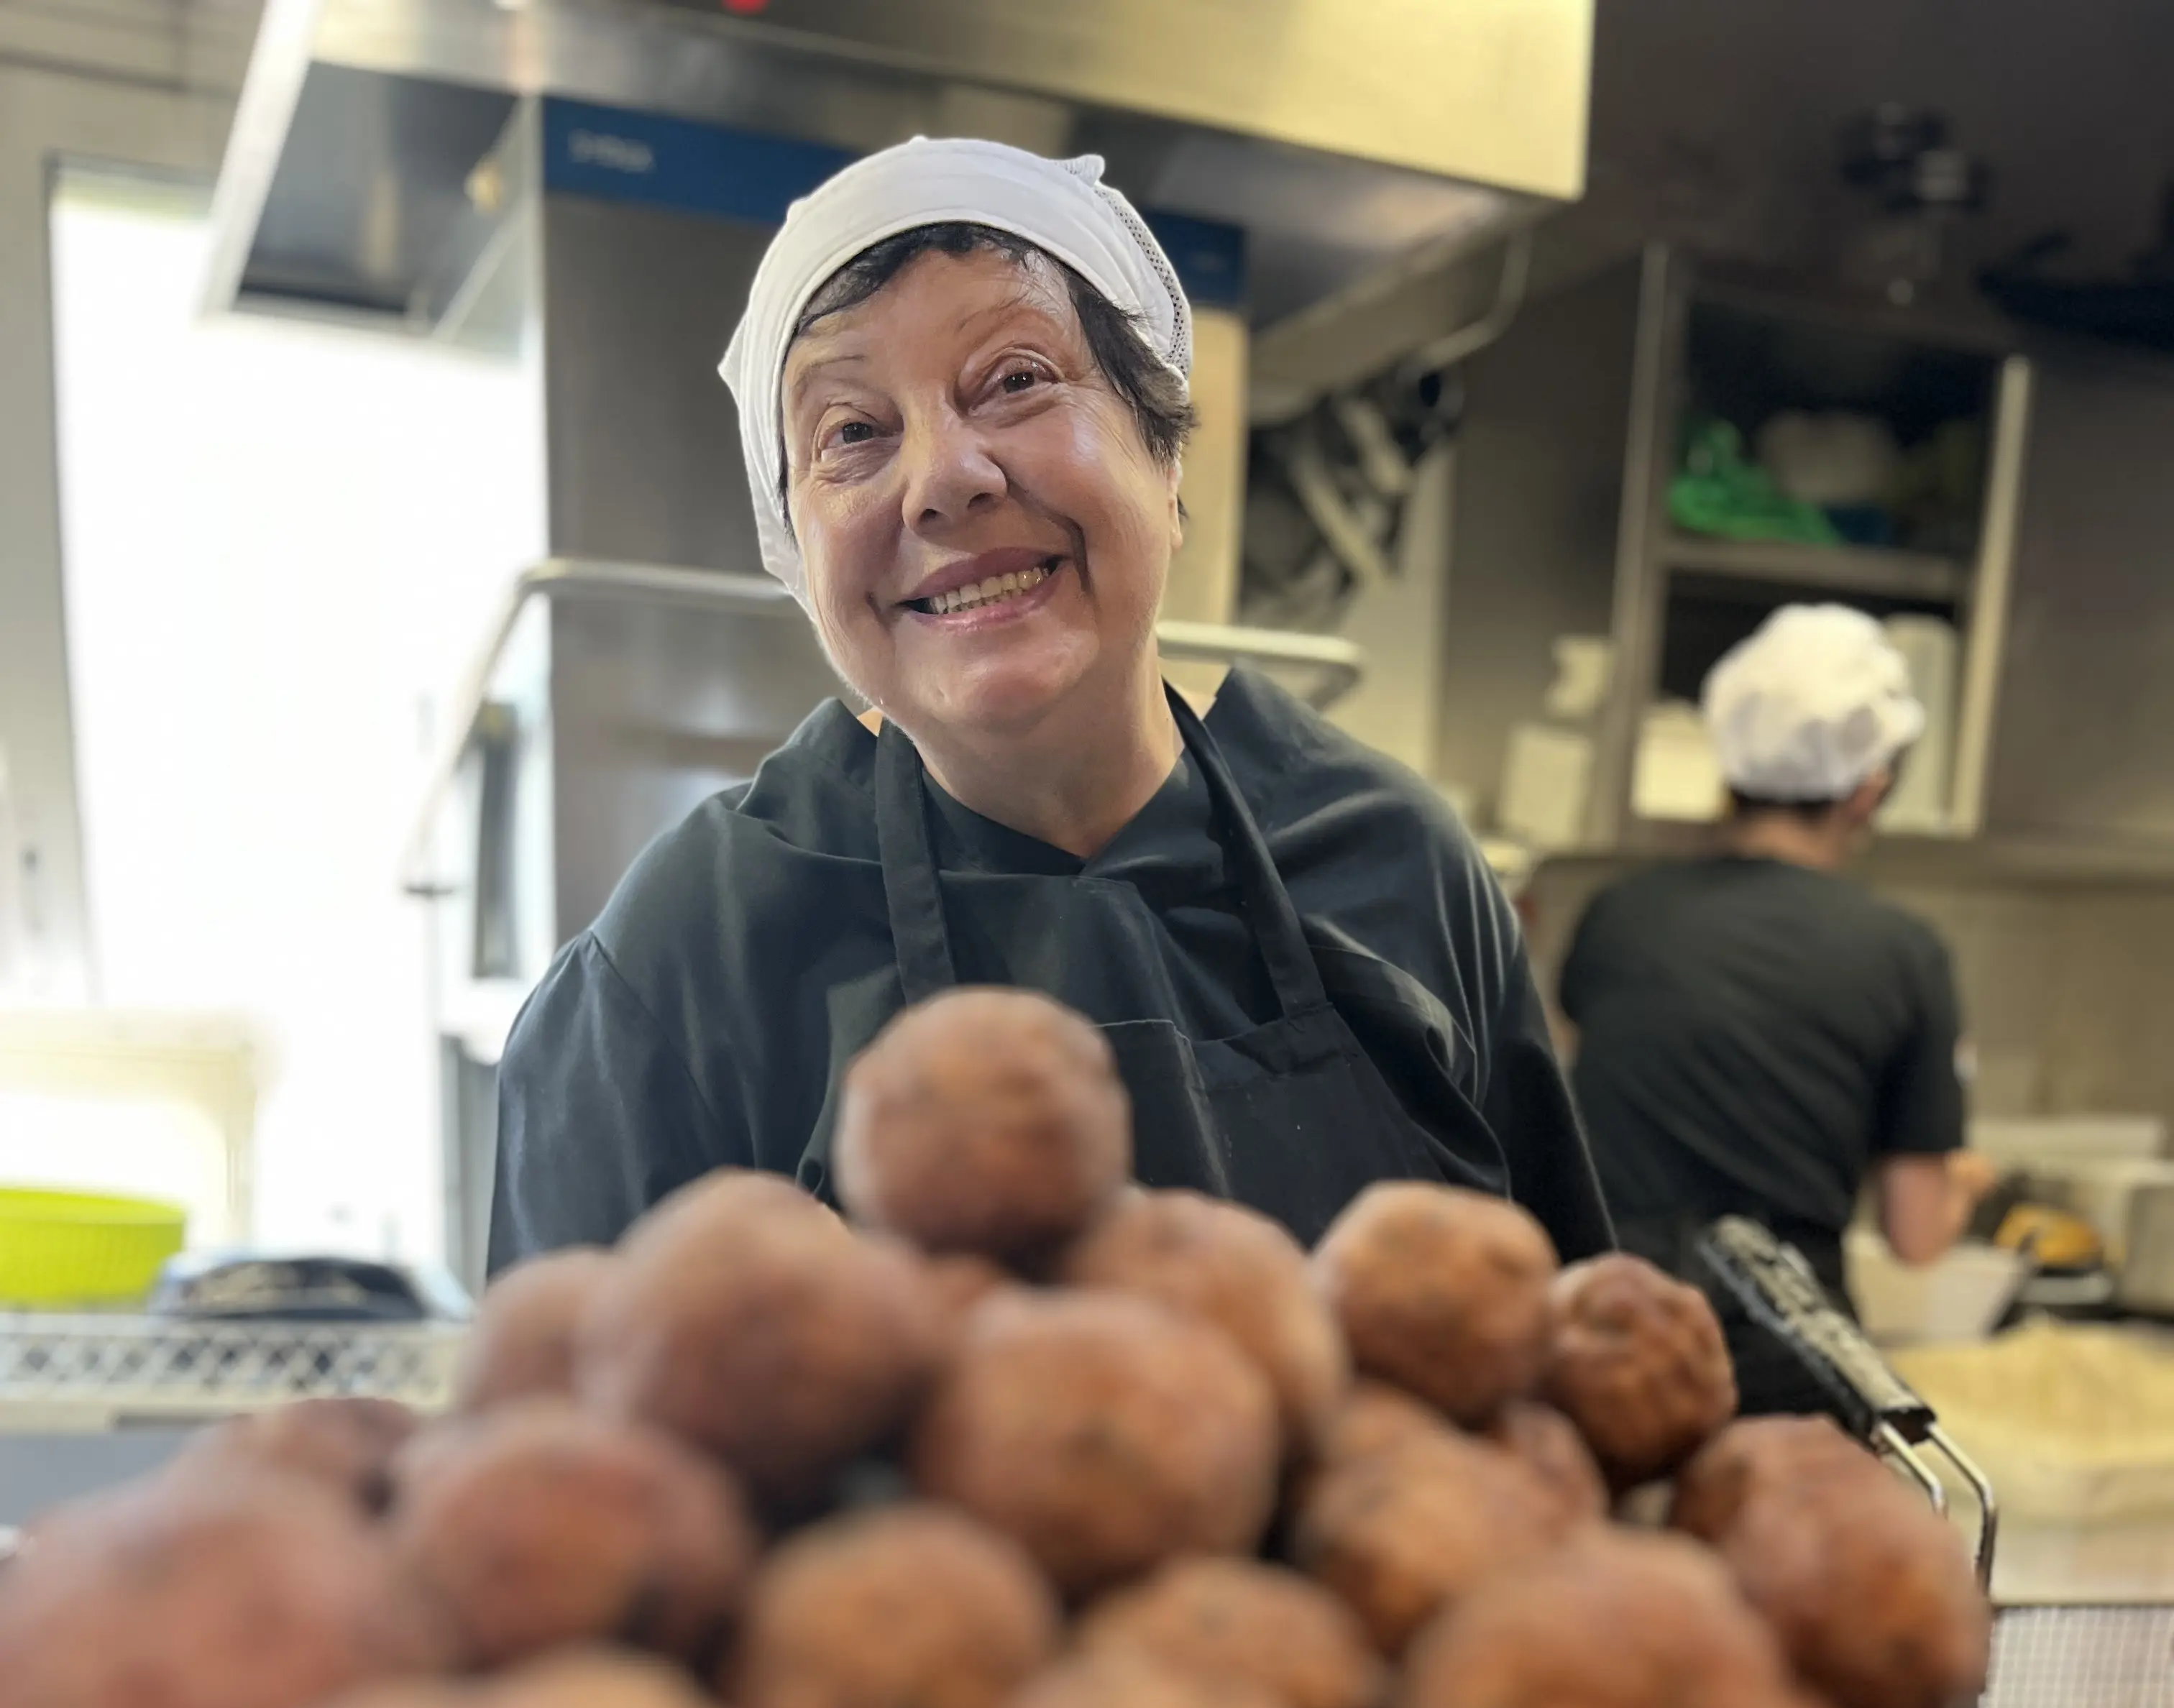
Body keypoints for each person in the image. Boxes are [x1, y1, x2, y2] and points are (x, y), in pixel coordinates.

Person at [489, 137, 1607, 1268]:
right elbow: (567, 1379)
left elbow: (1562, 1357)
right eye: (853, 433)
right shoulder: (684, 965)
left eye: (1016, 380)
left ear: (1164, 454)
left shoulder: (1398, 867)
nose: (944, 479)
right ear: (797, 553)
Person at [1558, 603, 1994, 1399]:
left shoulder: (1620, 915)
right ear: (1868, 791)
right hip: (1783, 1365)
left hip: (1609, 1340)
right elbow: (1916, 1235)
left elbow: (1574, 1111)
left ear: (1729, 770)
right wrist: (1966, 1179)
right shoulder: (1904, 953)